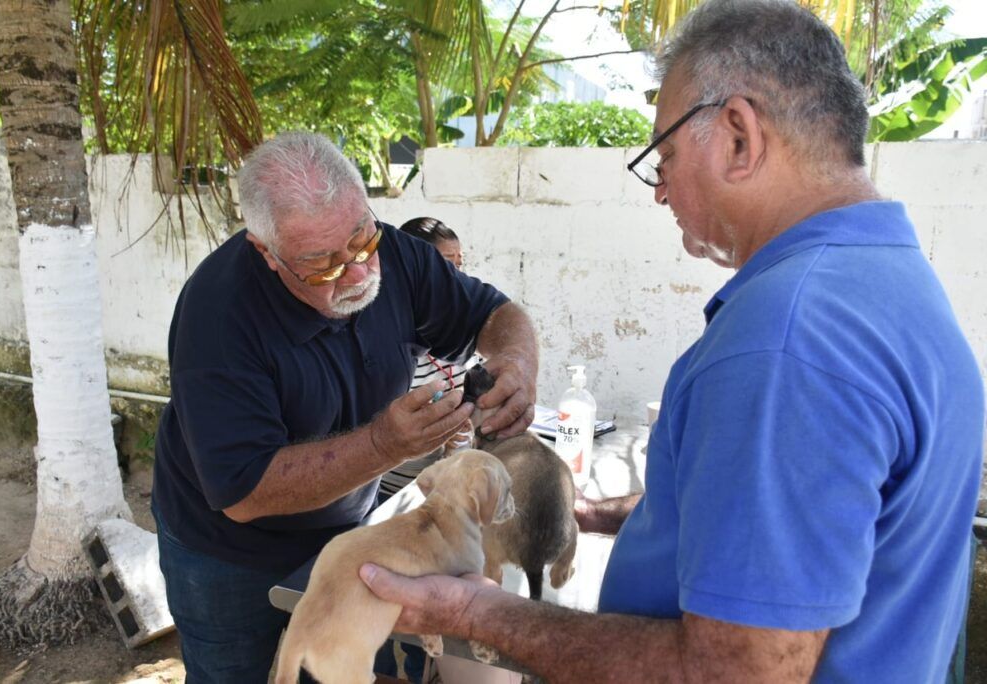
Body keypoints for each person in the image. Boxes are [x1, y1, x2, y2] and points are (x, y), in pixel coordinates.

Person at [359, 1, 986, 682]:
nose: (659, 193)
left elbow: (736, 673)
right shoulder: (891, 280)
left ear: (740, 137)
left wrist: (472, 612)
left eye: (664, 159)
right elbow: (822, 522)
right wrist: (606, 513)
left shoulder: (785, 341)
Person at [150, 131, 538, 683]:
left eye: (362, 243)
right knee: (234, 674)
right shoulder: (218, 317)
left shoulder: (396, 254)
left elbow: (496, 316)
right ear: (267, 251)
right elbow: (244, 491)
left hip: (352, 528)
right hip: (227, 553)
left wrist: (516, 367)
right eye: (322, 265)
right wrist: (385, 445)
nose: (357, 274)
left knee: (348, 669)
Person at [378, 216, 474, 503]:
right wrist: (435, 431)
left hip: (439, 490)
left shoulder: (460, 331)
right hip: (390, 496)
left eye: (460, 263)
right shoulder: (385, 342)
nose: (458, 275)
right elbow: (375, 432)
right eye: (447, 263)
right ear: (415, 267)